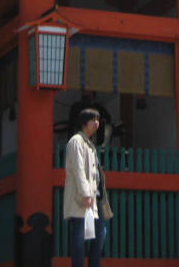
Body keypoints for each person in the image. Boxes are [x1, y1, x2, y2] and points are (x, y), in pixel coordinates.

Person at [63, 108, 110, 267]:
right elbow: (78, 170)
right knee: (80, 237)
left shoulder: (89, 144)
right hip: (82, 197)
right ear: (84, 122)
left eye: (98, 119)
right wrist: (85, 194)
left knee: (100, 234)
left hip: (94, 198)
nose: (96, 123)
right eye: (93, 119)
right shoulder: (76, 141)